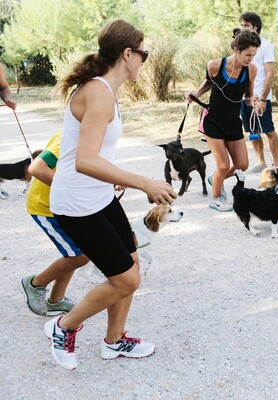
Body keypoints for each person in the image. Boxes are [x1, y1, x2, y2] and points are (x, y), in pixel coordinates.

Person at [46, 19, 177, 370]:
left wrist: (115, 179)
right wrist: (144, 182)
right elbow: (84, 161)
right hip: (76, 204)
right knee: (126, 279)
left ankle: (115, 341)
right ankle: (63, 326)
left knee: (131, 267)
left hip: (98, 198)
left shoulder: (106, 90)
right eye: (143, 54)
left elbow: (91, 153)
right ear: (127, 53)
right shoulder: (99, 92)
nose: (144, 61)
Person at [187, 30, 260, 212]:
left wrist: (255, 102)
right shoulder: (214, 65)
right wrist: (195, 94)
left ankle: (215, 179)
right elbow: (208, 83)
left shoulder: (251, 70)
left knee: (243, 165)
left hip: (233, 121)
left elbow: (248, 96)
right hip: (213, 121)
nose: (250, 59)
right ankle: (217, 198)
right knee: (223, 165)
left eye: (254, 55)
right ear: (236, 49)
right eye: (247, 54)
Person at [20, 131, 89, 317]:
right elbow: (37, 167)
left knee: (74, 252)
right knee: (80, 255)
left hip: (65, 207)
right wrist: (70, 190)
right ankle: (35, 284)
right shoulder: (68, 139)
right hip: (45, 208)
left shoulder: (90, 136)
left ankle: (56, 300)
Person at [239, 12, 278, 173]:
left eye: (246, 25)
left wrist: (263, 99)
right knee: (252, 131)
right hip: (245, 97)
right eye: (242, 25)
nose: (242, 28)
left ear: (255, 26)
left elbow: (270, 73)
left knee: (269, 131)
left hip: (260, 96)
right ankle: (261, 162)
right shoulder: (242, 45)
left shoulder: (266, 45)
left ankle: (276, 165)